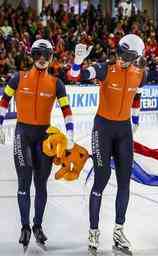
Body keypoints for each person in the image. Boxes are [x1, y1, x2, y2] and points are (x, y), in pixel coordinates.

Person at [69, 34, 146, 254]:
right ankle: (93, 230)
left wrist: (136, 119)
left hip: (124, 132)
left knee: (124, 183)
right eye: (120, 53)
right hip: (102, 129)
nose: (122, 58)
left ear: (137, 57)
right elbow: (74, 76)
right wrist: (77, 61)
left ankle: (118, 231)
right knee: (101, 180)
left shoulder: (141, 73)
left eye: (128, 56)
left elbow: (137, 95)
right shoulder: (104, 69)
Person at [0, 39, 74, 250]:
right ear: (32, 56)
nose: (41, 59)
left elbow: (66, 110)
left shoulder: (56, 83)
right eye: (38, 55)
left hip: (44, 138)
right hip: (22, 134)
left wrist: (70, 132)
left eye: (46, 56)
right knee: (24, 182)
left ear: (51, 58)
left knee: (41, 184)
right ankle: (25, 227)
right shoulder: (18, 77)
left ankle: (37, 226)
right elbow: (4, 102)